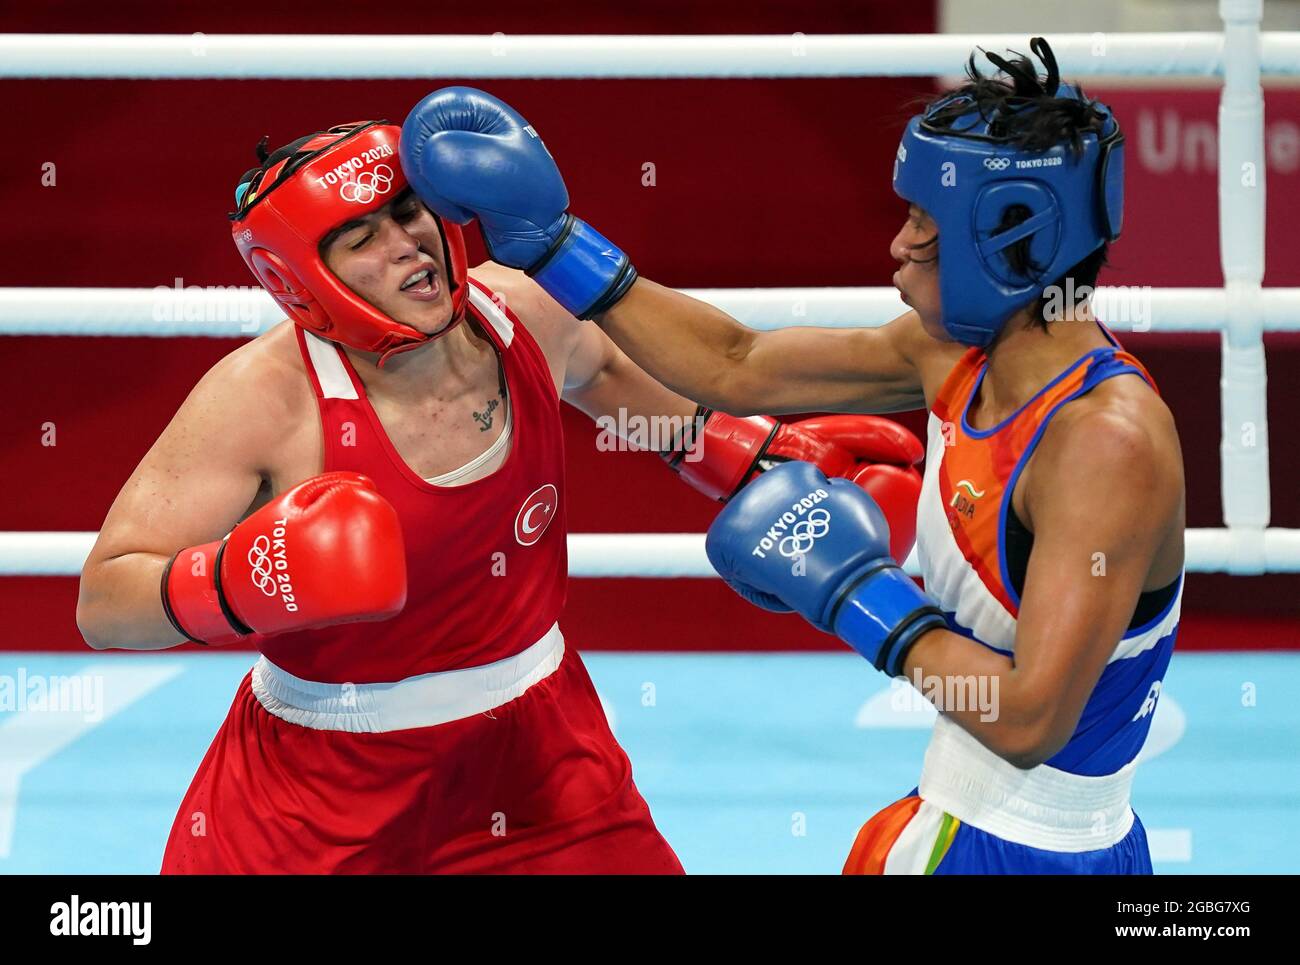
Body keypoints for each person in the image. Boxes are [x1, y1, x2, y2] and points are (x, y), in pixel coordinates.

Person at [404, 36, 1185, 874]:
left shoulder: (1103, 445)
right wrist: (558, 245)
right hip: (961, 821)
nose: (897, 244)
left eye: (924, 221)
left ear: (1010, 237)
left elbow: (1031, 721)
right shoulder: (954, 355)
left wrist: (858, 592)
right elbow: (736, 363)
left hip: (1034, 848)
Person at [75, 119, 923, 874]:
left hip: (539, 752)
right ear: (300, 279)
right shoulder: (263, 399)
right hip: (320, 785)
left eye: (409, 212)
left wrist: (775, 462)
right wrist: (238, 580)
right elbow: (104, 600)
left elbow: (667, 420)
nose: (407, 244)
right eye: (360, 236)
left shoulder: (525, 314)